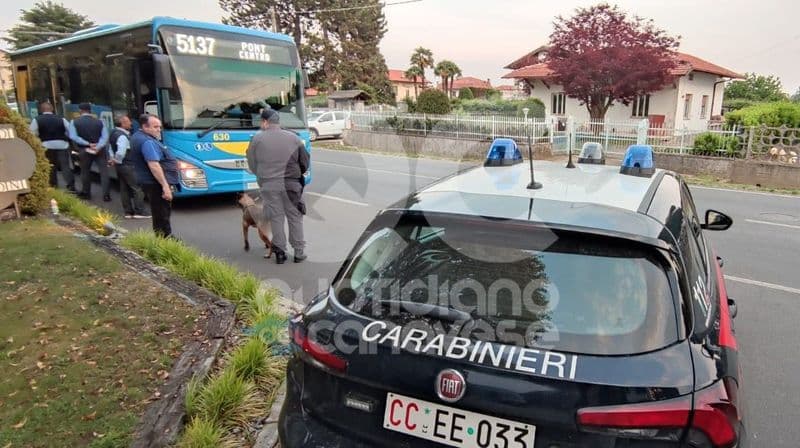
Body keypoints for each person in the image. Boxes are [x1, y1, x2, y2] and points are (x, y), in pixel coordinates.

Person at [246, 109, 309, 264]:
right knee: (295, 217)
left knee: (276, 218)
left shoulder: (256, 139)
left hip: (269, 185)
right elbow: (304, 163)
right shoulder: (294, 138)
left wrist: (262, 176)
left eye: (261, 121)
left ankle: (280, 253)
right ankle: (299, 253)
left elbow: (252, 164)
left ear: (265, 122)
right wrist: (295, 175)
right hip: (291, 185)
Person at [130, 114, 180, 238]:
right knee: (162, 212)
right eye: (155, 127)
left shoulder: (138, 137)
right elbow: (154, 165)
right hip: (155, 183)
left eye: (159, 127)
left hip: (149, 182)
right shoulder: (147, 142)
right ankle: (165, 239)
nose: (159, 129)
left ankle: (162, 237)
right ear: (144, 127)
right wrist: (165, 186)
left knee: (159, 211)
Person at [108, 114, 149, 219]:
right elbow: (121, 152)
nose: (130, 123)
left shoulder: (113, 133)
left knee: (124, 188)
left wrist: (114, 160)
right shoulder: (122, 136)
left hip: (120, 166)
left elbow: (110, 148)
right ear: (122, 123)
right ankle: (139, 211)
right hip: (128, 165)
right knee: (137, 188)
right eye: (128, 121)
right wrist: (117, 159)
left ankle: (128, 211)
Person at [29, 102, 75, 192]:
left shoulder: (37, 120)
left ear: (41, 110)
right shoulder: (61, 119)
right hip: (62, 145)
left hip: (46, 146)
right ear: (52, 109)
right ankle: (71, 186)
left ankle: (53, 186)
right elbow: (70, 131)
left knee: (51, 166)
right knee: (65, 166)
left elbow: (32, 134)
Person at [68, 103, 110, 201]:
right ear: (90, 110)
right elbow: (105, 136)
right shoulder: (100, 122)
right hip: (100, 150)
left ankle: (86, 193)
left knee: (85, 171)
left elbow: (73, 136)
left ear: (80, 110)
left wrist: (87, 144)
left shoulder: (74, 122)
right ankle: (106, 195)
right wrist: (98, 146)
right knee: (104, 172)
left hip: (84, 149)